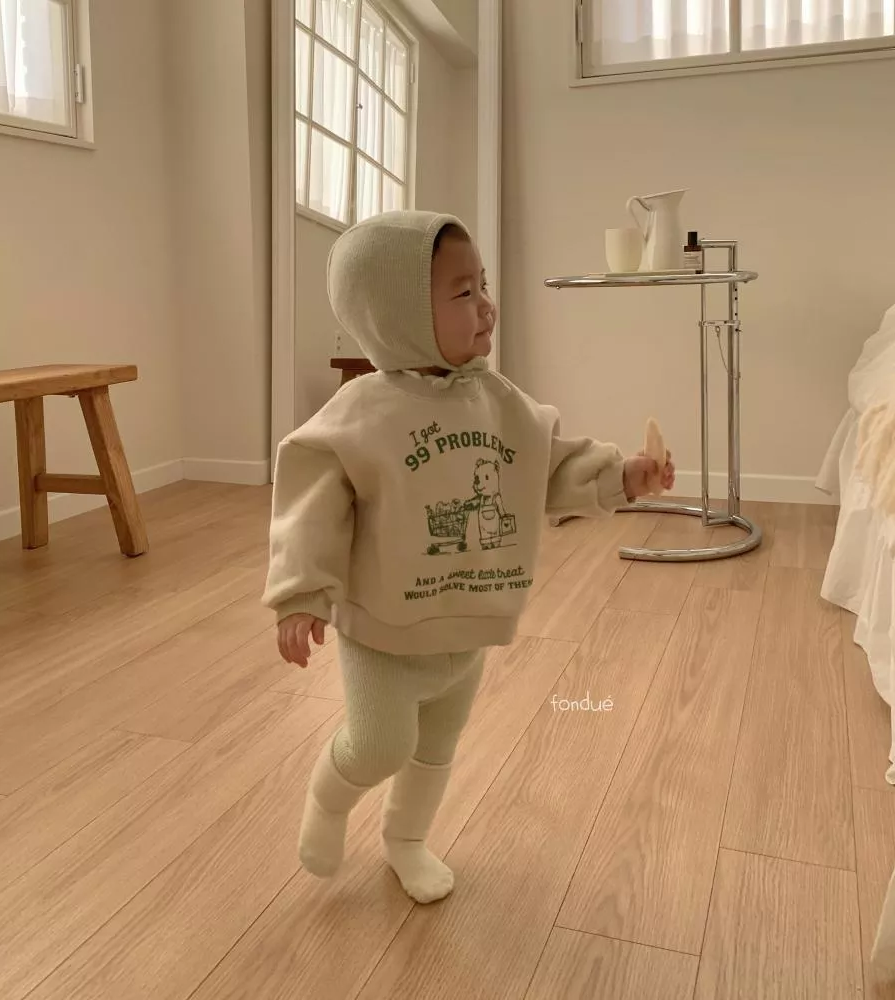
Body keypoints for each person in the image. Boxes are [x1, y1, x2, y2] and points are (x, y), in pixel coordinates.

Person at [262, 210, 674, 904]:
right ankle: (329, 801)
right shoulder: (359, 413)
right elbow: (311, 504)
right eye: (463, 291)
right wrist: (301, 594)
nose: (486, 304)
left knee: (437, 746)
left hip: (467, 622)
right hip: (385, 629)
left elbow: (550, 465)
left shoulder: (499, 400)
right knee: (381, 745)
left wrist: (623, 476)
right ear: (397, 315)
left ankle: (406, 839)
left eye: (483, 285)